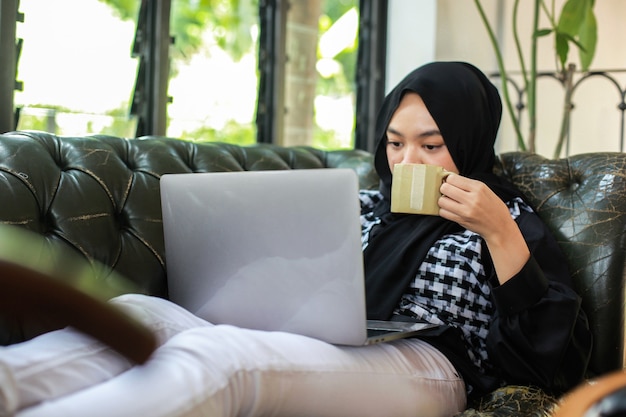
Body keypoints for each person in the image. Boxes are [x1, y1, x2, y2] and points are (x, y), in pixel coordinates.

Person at [0, 61, 592, 417]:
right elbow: (306, 278)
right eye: (394, 142)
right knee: (138, 313)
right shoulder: (364, 204)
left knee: (222, 360)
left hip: (430, 365)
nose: (408, 160)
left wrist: (497, 230)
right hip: (324, 336)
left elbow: (545, 359)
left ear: (470, 137)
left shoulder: (508, 216)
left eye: (431, 145)